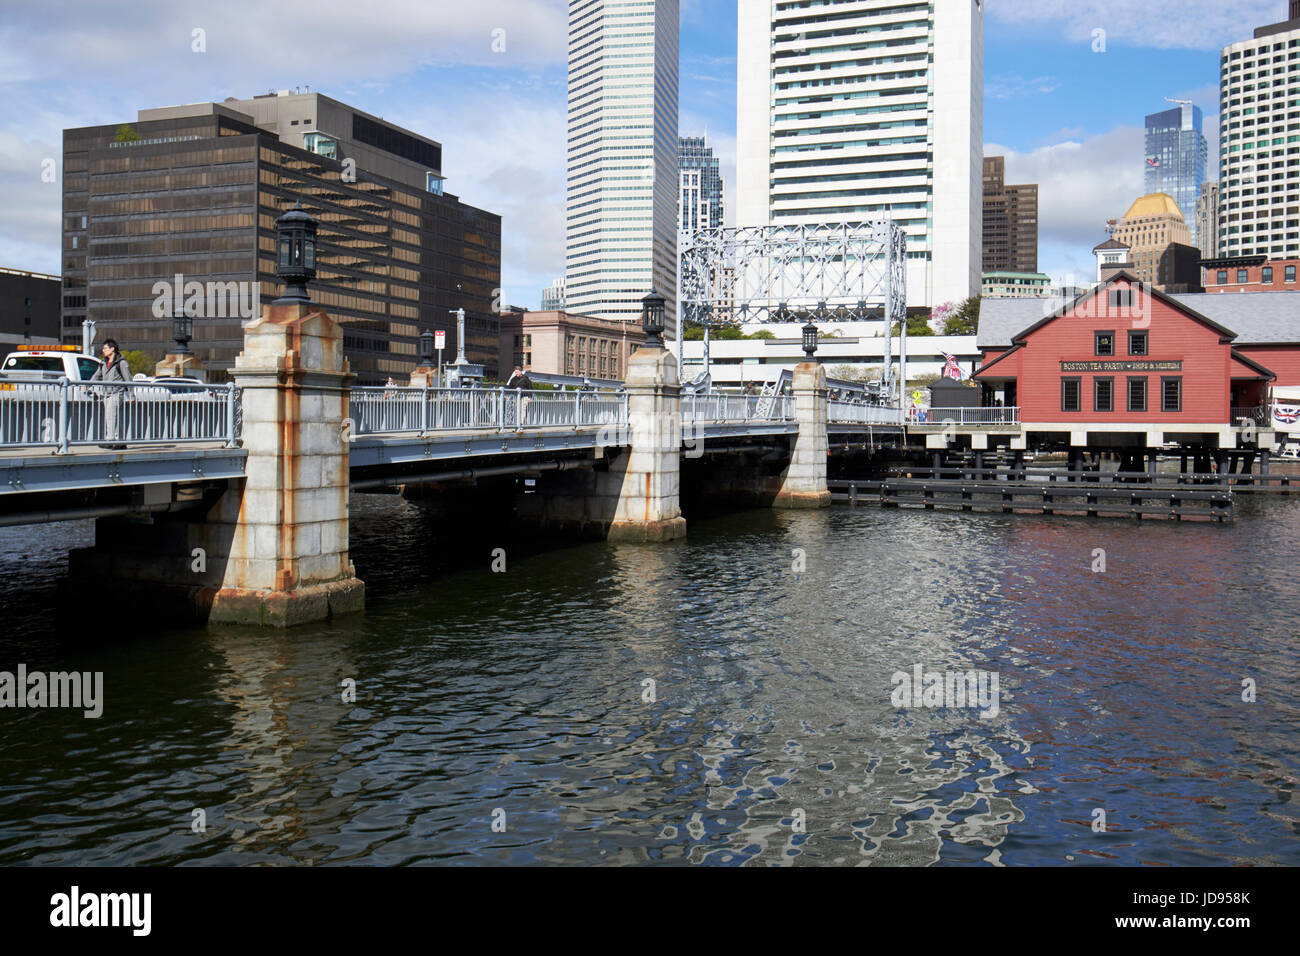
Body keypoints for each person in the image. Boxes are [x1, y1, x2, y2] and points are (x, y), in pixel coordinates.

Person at [89, 338, 131, 448]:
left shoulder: (121, 363)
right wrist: (88, 384)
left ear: (112, 349)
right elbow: (97, 375)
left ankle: (110, 440)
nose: (103, 350)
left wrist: (132, 394)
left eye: (105, 348)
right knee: (114, 417)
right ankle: (121, 442)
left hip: (116, 393)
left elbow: (128, 379)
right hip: (106, 394)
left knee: (111, 416)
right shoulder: (103, 363)